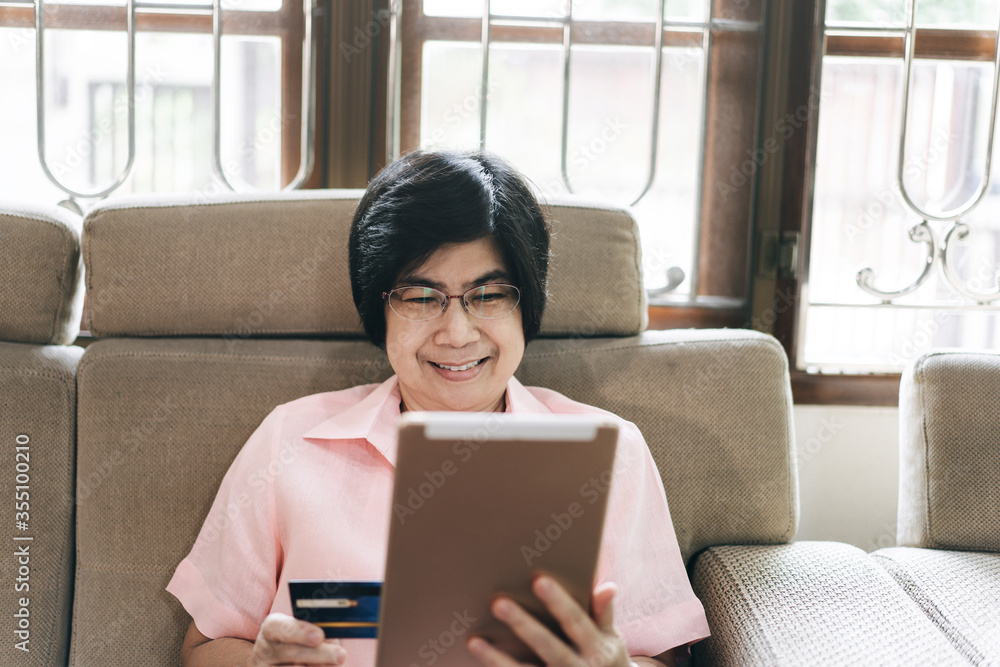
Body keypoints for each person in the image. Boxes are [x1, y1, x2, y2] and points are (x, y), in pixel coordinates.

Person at [168, 150, 710, 666]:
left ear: (528, 305)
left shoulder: (611, 452)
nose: (456, 333)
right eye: (422, 297)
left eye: (490, 294)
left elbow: (660, 655)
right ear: (378, 308)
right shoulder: (290, 438)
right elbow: (203, 649)